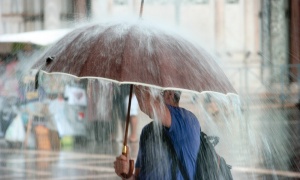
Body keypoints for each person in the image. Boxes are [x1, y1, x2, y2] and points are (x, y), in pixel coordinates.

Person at [114, 86, 201, 179]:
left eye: (155, 91)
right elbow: (138, 177)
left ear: (169, 93)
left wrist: (136, 82)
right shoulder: (148, 131)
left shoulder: (187, 120)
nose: (152, 95)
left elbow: (147, 104)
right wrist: (127, 173)